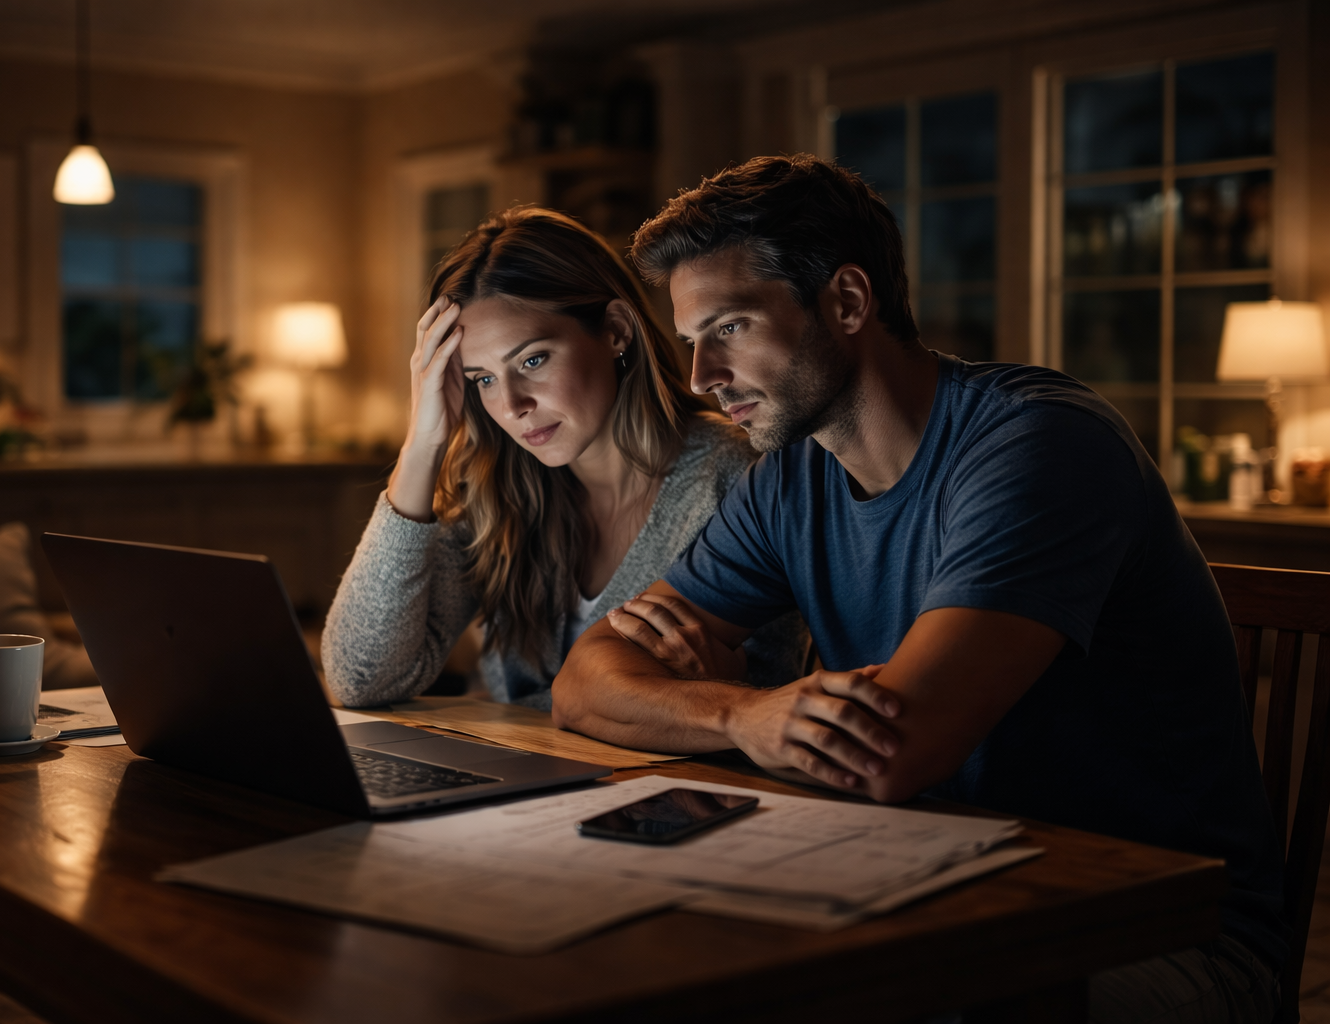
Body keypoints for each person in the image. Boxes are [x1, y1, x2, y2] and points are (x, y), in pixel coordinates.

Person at [550, 155, 1285, 1023]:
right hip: (938, 887)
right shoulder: (788, 480)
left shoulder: (1037, 446)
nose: (703, 374)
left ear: (849, 302)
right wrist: (740, 714)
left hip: (1155, 938)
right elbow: (583, 683)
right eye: (691, 342)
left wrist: (702, 702)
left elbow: (890, 753)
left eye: (733, 327)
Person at [322, 207, 805, 710]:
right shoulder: (496, 488)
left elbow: (767, 698)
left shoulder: (738, 476)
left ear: (616, 330)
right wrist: (421, 446)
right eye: (482, 378)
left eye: (532, 360)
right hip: (516, 774)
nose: (511, 406)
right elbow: (360, 678)